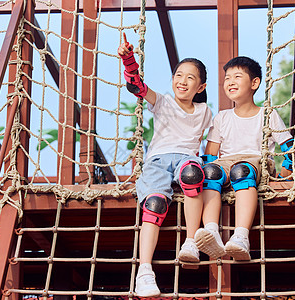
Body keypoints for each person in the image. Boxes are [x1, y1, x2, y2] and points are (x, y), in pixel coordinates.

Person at [118, 33, 212, 297]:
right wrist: (128, 60)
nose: (182, 81)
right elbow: (137, 87)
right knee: (155, 204)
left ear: (201, 87)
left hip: (186, 159)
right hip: (158, 160)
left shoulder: (205, 113)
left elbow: (215, 143)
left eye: (190, 78)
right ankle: (144, 271)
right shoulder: (162, 102)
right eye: (178, 75)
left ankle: (191, 241)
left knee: (194, 174)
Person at [191, 56, 295, 262]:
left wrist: (283, 177)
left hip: (254, 161)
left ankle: (241, 236)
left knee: (241, 171)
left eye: (237, 77)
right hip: (226, 163)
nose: (230, 82)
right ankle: (212, 231)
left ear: (254, 83)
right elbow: (210, 155)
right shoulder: (222, 117)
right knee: (210, 172)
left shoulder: (266, 114)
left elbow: (292, 150)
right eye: (227, 78)